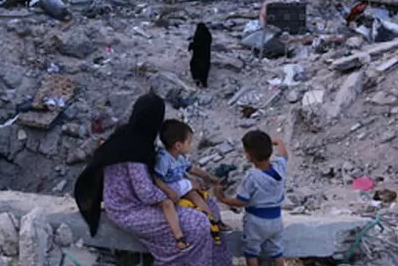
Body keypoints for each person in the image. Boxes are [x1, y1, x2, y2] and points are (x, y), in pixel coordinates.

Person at [74, 93, 231, 266]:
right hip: (128, 209)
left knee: (211, 208)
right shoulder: (135, 148)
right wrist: (180, 189)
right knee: (198, 223)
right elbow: (146, 193)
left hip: (145, 200)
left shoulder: (134, 138)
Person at [214, 130, 288, 266]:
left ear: (248, 155)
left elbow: (241, 201)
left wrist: (222, 199)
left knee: (251, 251)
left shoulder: (252, 177)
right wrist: (278, 141)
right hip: (276, 219)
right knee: (277, 250)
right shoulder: (280, 167)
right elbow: (284, 154)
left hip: (256, 221)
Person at [153, 120, 229, 248]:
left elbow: (192, 169)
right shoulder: (164, 159)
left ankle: (212, 219)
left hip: (179, 186)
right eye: (189, 142)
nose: (191, 145)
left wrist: (210, 177)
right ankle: (210, 219)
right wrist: (173, 190)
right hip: (168, 189)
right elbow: (157, 178)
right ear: (178, 145)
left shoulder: (179, 157)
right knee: (191, 187)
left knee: (195, 194)